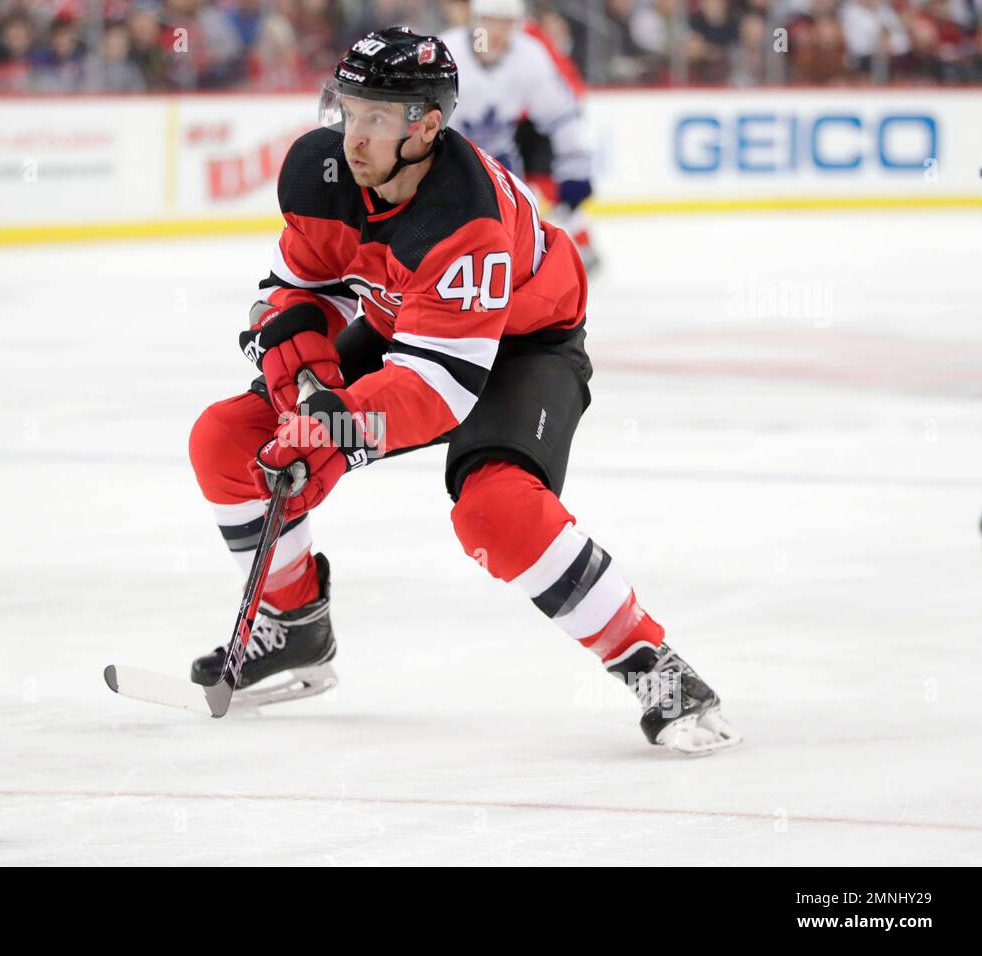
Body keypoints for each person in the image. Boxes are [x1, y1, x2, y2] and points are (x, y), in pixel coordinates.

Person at [186, 27, 739, 754]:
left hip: (520, 342)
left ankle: (653, 667)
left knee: (495, 509)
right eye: (349, 111)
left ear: (427, 128)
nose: (355, 137)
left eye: (378, 119)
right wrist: (306, 380)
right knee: (226, 439)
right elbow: (302, 289)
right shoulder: (321, 172)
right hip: (412, 324)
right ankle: (293, 625)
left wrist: (331, 430)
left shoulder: (465, 219)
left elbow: (437, 392)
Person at [442, 0, 601, 271]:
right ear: (475, 20)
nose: (498, 32)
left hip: (502, 160)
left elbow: (560, 115)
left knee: (514, 229)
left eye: (506, 23)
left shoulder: (529, 55)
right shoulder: (446, 52)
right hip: (446, 159)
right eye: (490, 21)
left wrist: (574, 168)